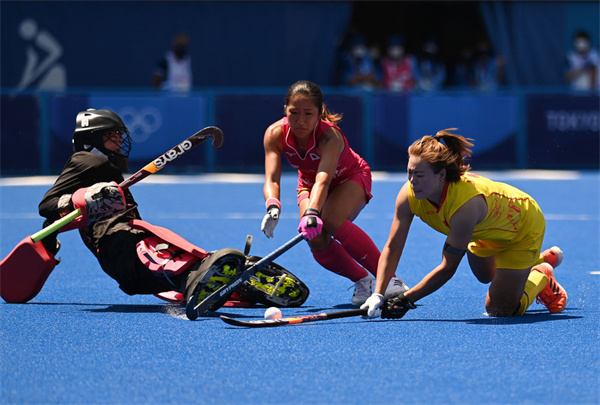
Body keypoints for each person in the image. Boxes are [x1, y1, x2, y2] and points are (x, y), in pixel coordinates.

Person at [38, 109, 308, 312]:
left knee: (173, 260)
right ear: (93, 138)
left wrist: (51, 240)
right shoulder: (86, 159)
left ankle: (226, 281)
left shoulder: (104, 168)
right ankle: (204, 275)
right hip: (117, 242)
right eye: (113, 136)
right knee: (159, 256)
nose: (121, 141)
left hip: (128, 249)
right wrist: (86, 198)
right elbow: (48, 205)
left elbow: (52, 221)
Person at [361, 128, 568, 319]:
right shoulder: (409, 195)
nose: (412, 181)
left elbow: (448, 268)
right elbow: (393, 246)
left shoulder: (465, 206)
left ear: (441, 175)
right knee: (486, 276)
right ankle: (535, 261)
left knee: (500, 309)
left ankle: (540, 274)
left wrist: (406, 300)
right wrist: (379, 293)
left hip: (522, 227)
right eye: (409, 172)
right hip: (483, 232)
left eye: (420, 175)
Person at [260, 80, 408, 305]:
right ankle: (363, 280)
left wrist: (312, 212)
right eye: (294, 113)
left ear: (319, 113)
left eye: (308, 113)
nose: (300, 121)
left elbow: (324, 178)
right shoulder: (274, 134)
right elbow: (272, 178)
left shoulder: (330, 137)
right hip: (309, 184)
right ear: (285, 110)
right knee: (315, 238)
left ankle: (390, 281)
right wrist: (273, 206)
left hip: (350, 176)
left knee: (330, 219)